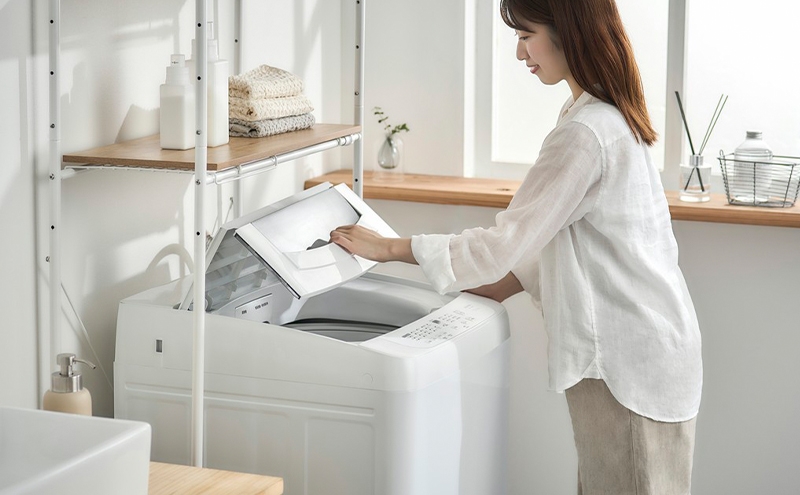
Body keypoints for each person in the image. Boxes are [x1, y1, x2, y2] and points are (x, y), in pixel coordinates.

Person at [331, 0, 702, 493]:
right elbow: (566, 238)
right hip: (644, 351)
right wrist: (499, 286)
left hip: (626, 363)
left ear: (569, 32)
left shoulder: (585, 133)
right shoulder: (600, 115)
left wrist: (389, 248)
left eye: (526, 36)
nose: (519, 53)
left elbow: (504, 242)